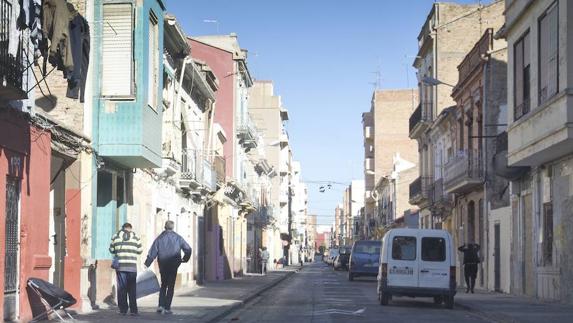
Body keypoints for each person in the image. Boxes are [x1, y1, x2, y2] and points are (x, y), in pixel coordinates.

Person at [144, 220, 192, 315]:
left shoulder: (160, 238)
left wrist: (147, 263)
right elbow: (188, 249)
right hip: (174, 265)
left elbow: (153, 252)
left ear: (165, 227)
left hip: (163, 264)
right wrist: (184, 259)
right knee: (171, 286)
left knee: (163, 285)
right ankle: (167, 308)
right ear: (172, 227)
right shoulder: (178, 238)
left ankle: (161, 306)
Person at [109, 223, 143, 316]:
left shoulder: (115, 237)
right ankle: (133, 310)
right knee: (132, 289)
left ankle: (123, 310)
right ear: (130, 229)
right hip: (132, 267)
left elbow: (111, 250)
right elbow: (140, 251)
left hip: (121, 266)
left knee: (121, 288)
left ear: (122, 228)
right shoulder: (136, 238)